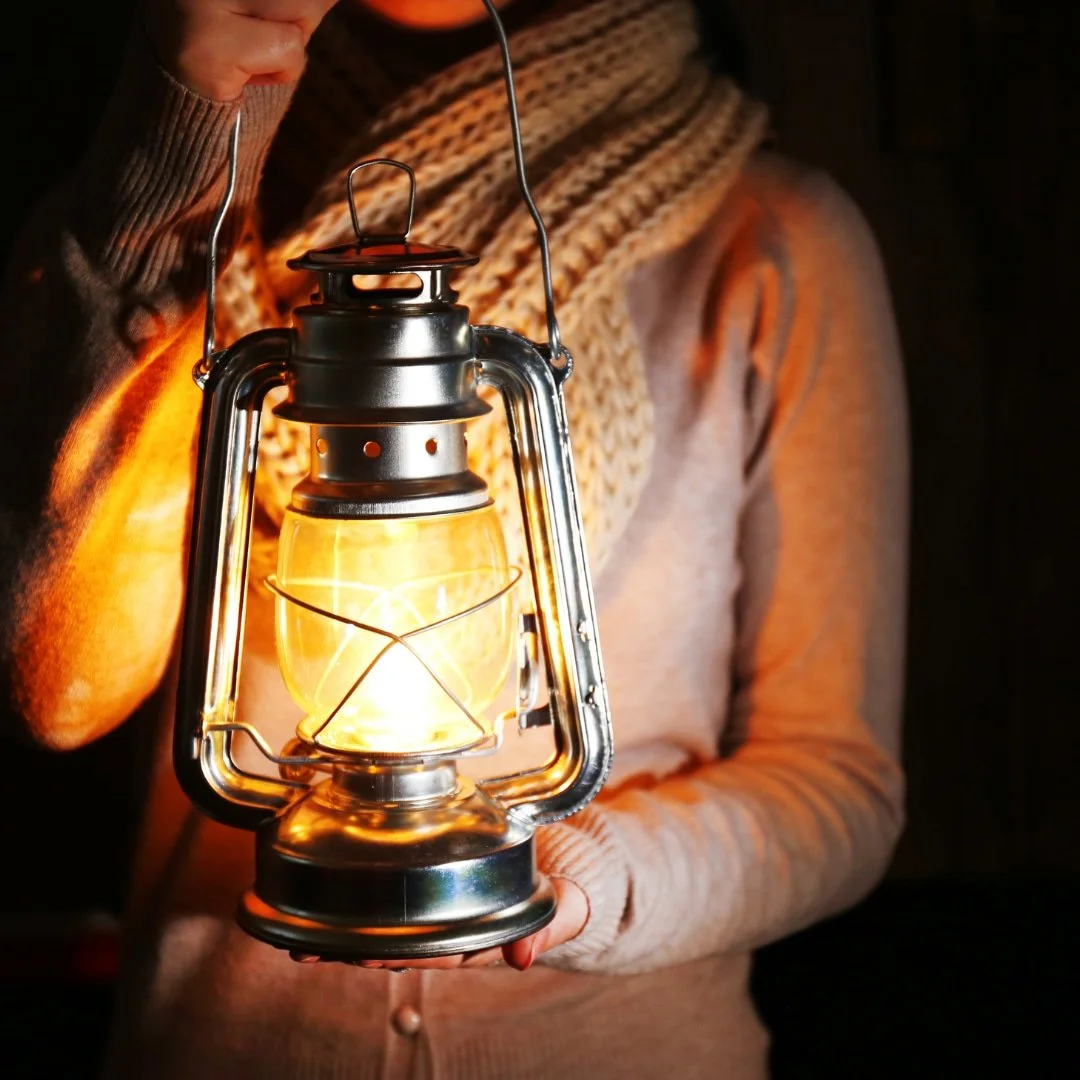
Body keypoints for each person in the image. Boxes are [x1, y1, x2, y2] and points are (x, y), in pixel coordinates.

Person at [0, 0, 909, 1076]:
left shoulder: (773, 239)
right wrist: (178, 148)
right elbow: (61, 694)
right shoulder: (153, 231)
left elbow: (837, 781)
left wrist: (588, 880)